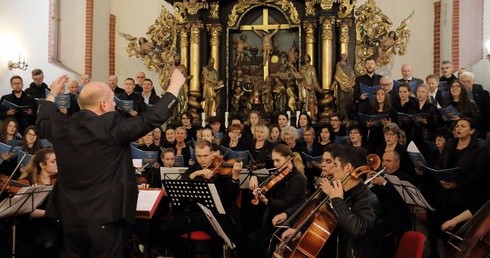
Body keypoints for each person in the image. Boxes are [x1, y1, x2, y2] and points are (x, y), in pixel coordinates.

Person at [35, 68, 185, 257]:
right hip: (105, 218)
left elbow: (42, 120)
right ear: (104, 104)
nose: (115, 104)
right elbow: (153, 117)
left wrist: (53, 93)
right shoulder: (111, 126)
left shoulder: (62, 125)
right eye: (113, 100)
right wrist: (175, 86)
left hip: (70, 217)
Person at [279, 146, 381, 258]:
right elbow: (327, 224)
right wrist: (301, 232)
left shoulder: (368, 199)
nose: (332, 170)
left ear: (347, 167)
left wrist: (337, 201)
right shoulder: (340, 191)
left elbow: (359, 231)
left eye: (335, 165)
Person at [161, 139, 243, 257]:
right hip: (195, 214)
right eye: (199, 156)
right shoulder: (194, 168)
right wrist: (196, 174)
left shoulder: (221, 170)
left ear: (211, 154)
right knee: (165, 228)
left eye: (205, 155)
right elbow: (181, 187)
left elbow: (231, 196)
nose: (202, 159)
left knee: (220, 237)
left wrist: (235, 176)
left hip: (215, 216)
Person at [247, 144, 307, 258]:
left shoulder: (298, 179)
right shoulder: (279, 174)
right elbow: (264, 181)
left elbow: (286, 204)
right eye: (273, 160)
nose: (274, 164)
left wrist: (266, 200)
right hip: (272, 221)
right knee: (251, 239)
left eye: (278, 160)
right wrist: (254, 178)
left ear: (289, 159)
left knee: (263, 244)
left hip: (286, 223)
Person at [16, 148, 63, 258]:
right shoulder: (29, 182)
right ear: (42, 165)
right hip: (36, 225)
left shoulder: (59, 181)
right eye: (53, 161)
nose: (57, 164)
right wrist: (49, 212)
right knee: (49, 244)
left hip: (57, 222)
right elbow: (26, 211)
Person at [458, 72, 490, 139]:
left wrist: (488, 130)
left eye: (468, 81)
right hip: (462, 129)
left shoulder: (484, 94)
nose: (466, 83)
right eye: (463, 82)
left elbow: (488, 113)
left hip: (480, 128)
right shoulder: (456, 95)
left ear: (473, 81)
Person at [298, 54, 322, 121]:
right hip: (303, 87)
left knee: (311, 101)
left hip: (311, 87)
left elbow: (314, 79)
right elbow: (299, 78)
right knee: (303, 102)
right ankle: (304, 118)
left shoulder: (312, 68)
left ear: (309, 59)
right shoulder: (301, 68)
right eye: (305, 57)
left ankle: (312, 116)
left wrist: (317, 87)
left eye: (307, 57)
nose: (306, 59)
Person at [332, 53, 356, 120]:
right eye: (343, 55)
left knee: (348, 101)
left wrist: (350, 82)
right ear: (341, 57)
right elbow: (337, 75)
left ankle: (348, 116)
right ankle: (342, 116)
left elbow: (352, 74)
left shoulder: (348, 65)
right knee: (341, 100)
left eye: (345, 56)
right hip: (341, 85)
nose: (344, 57)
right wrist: (334, 82)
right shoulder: (338, 65)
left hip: (349, 85)